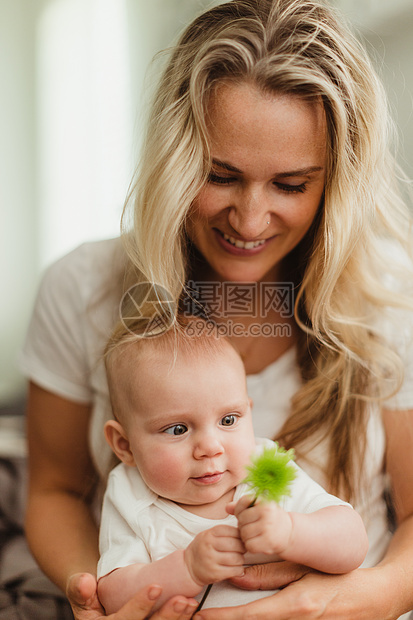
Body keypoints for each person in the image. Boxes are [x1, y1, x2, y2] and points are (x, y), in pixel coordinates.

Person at [20, 0, 413, 618]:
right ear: (174, 160)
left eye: (290, 184)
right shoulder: (83, 287)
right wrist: (93, 594)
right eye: (219, 175)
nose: (250, 220)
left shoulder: (392, 295)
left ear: (335, 182)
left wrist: (354, 600)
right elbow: (53, 490)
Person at [97, 327, 367, 614]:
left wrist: (291, 532)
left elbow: (353, 541)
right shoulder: (130, 493)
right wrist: (187, 569)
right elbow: (113, 597)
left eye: (227, 420)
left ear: (248, 413)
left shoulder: (264, 468)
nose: (211, 447)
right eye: (178, 429)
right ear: (124, 445)